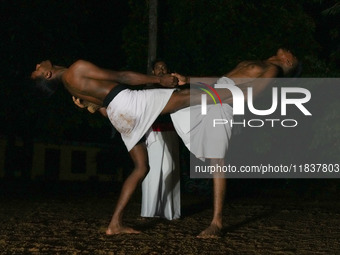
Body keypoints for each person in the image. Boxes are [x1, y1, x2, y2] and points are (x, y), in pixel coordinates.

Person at [31, 48, 299, 238]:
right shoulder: (76, 68)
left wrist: (92, 105)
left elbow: (106, 98)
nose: (37, 66)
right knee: (183, 99)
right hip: (130, 104)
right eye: (36, 71)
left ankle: (115, 224)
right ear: (46, 75)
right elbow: (122, 77)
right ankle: (215, 220)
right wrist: (159, 79)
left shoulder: (70, 85)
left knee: (141, 167)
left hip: (117, 114)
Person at [141, 60, 181, 220]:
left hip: (170, 131)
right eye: (158, 68)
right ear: (153, 71)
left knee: (171, 168)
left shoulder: (173, 89)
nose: (162, 70)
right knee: (153, 170)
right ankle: (150, 211)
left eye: (164, 67)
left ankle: (170, 212)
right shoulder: (148, 88)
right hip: (153, 132)